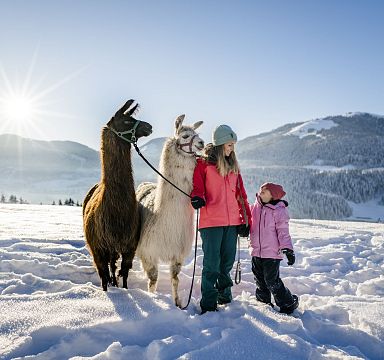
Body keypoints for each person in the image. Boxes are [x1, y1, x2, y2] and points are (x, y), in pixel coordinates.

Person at [190, 124, 251, 314]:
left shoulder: (234, 168)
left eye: (233, 145)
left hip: (232, 222)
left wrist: (245, 220)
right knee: (212, 263)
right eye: (229, 144)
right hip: (211, 222)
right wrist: (197, 196)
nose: (232, 148)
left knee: (227, 261)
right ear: (220, 144)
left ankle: (225, 296)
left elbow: (241, 195)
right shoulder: (203, 165)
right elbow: (197, 186)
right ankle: (208, 303)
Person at [249, 182, 299, 314]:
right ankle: (263, 302)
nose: (261, 193)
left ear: (273, 196)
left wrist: (288, 249)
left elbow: (283, 232)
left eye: (264, 191)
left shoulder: (279, 211)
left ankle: (288, 303)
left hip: (271, 253)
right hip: (256, 251)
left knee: (271, 281)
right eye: (261, 190)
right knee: (259, 279)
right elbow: (246, 219)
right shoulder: (254, 208)